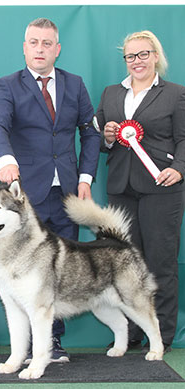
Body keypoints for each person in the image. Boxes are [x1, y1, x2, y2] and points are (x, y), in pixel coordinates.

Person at [0, 17, 100, 362]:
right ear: (25, 47)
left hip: (66, 195)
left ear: (57, 49)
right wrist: (5, 159)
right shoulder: (7, 85)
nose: (40, 49)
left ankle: (53, 342)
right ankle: (22, 347)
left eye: (47, 43)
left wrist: (85, 178)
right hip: (25, 202)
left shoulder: (76, 84)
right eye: (34, 42)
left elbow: (91, 133)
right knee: (22, 271)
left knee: (58, 271)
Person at [96, 30, 185, 353]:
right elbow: (103, 140)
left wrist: (179, 169)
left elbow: (184, 138)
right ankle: (130, 331)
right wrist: (107, 136)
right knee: (124, 265)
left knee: (160, 262)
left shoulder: (175, 94)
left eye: (143, 54)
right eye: (131, 56)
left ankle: (161, 333)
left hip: (162, 187)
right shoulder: (110, 94)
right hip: (121, 189)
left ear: (156, 56)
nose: (137, 61)